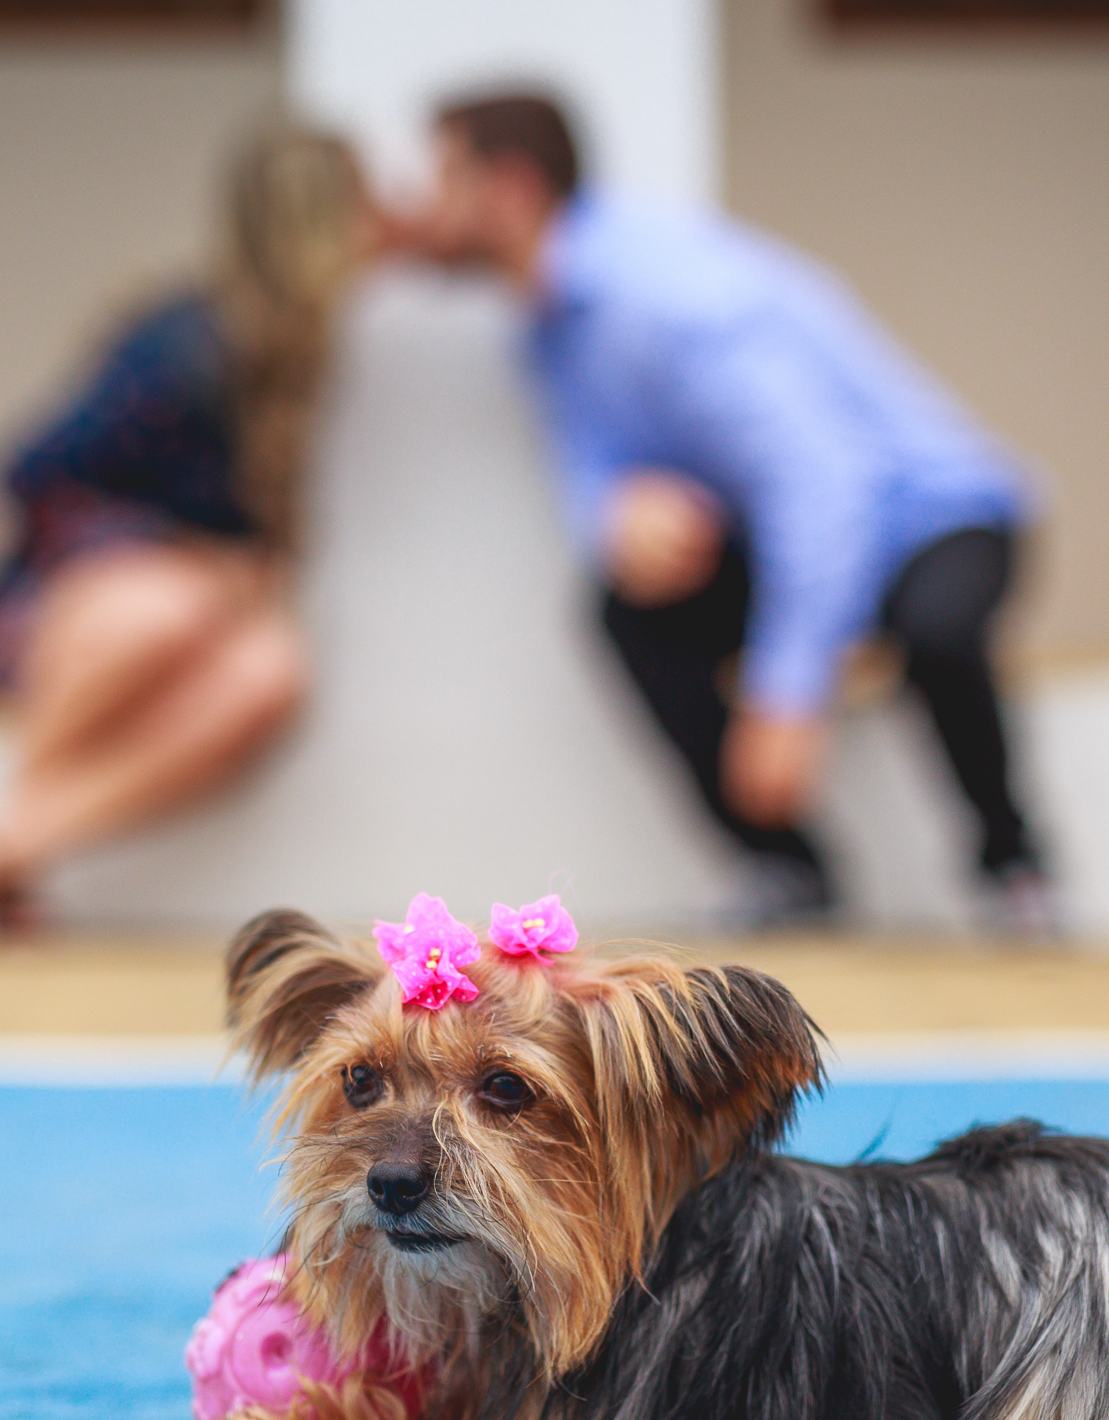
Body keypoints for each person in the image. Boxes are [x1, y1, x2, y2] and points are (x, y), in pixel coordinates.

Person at [410, 94, 1056, 935]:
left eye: (441, 177)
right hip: (795, 524)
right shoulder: (547, 325)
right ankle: (788, 871)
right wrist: (616, 512)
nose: (422, 202)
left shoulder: (667, 294)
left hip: (931, 513)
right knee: (628, 611)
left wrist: (788, 691)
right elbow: (591, 461)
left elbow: (821, 480)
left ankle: (1014, 869)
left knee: (939, 631)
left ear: (508, 186)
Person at [0, 126, 372, 943]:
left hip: (189, 624)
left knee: (270, 672)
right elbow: (25, 470)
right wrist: (202, 558)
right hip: (57, 609)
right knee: (166, 604)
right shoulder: (182, 347)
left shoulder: (295, 352)